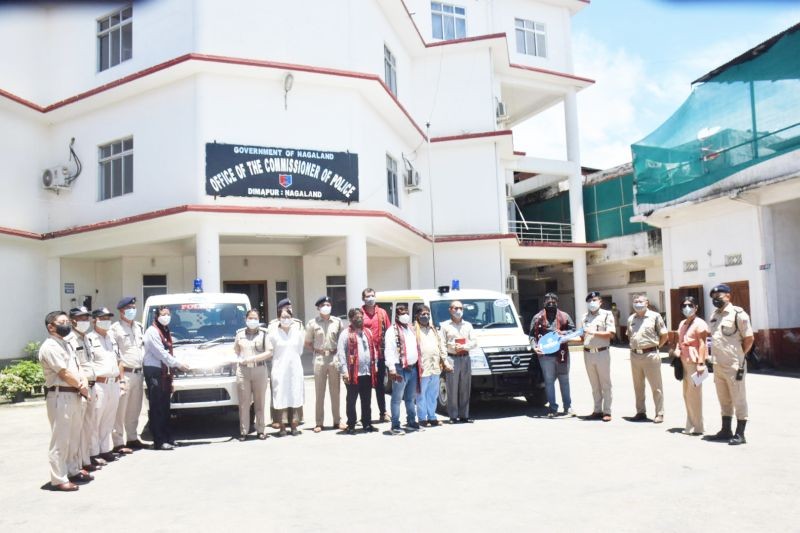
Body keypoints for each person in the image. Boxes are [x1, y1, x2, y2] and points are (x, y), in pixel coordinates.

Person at [38, 310, 92, 491]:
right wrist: (81, 386)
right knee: (61, 438)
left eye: (68, 321)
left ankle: (73, 469)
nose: (67, 324)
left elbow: (77, 367)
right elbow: (63, 372)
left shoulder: (67, 344)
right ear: (51, 327)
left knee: (73, 436)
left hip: (74, 393)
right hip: (60, 395)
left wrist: (83, 381)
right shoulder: (50, 347)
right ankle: (59, 478)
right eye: (62, 321)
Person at [707, 284, 754, 445]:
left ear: (728, 296)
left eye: (719, 297)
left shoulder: (738, 314)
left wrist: (739, 356)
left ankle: (740, 434)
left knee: (738, 398)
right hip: (718, 365)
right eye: (714, 298)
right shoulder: (714, 315)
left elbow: (749, 339)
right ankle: (725, 430)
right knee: (724, 399)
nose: (716, 300)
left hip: (734, 365)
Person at [143, 306, 189, 450]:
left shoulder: (165, 330)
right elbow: (161, 353)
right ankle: (159, 440)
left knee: (165, 407)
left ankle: (168, 437)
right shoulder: (152, 331)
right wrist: (178, 364)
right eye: (163, 314)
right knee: (157, 407)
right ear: (156, 316)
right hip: (154, 371)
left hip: (164, 372)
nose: (166, 316)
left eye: (168, 314)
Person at [84, 307, 127, 460]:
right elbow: (86, 363)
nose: (107, 321)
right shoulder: (88, 338)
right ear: (94, 320)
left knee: (109, 418)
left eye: (109, 318)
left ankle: (105, 449)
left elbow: (119, 361)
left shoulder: (111, 337)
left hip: (114, 383)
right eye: (103, 318)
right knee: (95, 419)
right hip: (99, 384)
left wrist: (122, 381)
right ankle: (94, 453)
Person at [109, 296, 147, 450]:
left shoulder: (138, 327)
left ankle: (132, 437)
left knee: (134, 408)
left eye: (133, 307)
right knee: (120, 410)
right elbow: (115, 354)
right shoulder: (115, 329)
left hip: (138, 373)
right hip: (125, 373)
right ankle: (118, 442)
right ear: (121, 311)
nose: (132, 310)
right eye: (129, 308)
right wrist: (121, 377)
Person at [529, 293, 576, 418]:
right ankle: (553, 408)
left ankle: (568, 407)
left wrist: (563, 332)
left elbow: (573, 331)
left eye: (553, 300)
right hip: (545, 355)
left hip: (562, 353)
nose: (551, 302)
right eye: (548, 300)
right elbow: (532, 335)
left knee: (564, 380)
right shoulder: (537, 317)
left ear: (557, 302)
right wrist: (535, 347)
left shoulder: (564, 316)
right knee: (549, 381)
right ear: (543, 303)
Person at [66, 307, 100, 473]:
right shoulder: (70, 339)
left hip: (93, 385)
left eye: (87, 317)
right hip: (81, 388)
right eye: (81, 318)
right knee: (78, 428)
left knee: (88, 426)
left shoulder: (86, 338)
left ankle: (85, 460)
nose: (85, 321)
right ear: (72, 320)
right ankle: (77, 464)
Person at [305, 296, 344, 433]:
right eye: (323, 305)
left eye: (328, 304)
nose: (326, 307)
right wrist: (318, 351)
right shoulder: (312, 323)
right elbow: (308, 343)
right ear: (318, 308)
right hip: (320, 359)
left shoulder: (337, 322)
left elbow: (341, 341)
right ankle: (319, 422)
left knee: (336, 391)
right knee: (319, 392)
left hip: (334, 358)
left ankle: (337, 421)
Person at [626, 294, 668, 424]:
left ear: (647, 302)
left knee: (656, 386)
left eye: (640, 301)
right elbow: (630, 336)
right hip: (634, 355)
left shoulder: (655, 316)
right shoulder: (631, 318)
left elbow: (664, 335)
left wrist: (655, 347)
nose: (637, 303)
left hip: (650, 355)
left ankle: (659, 413)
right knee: (638, 386)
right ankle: (640, 412)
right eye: (635, 301)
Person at [337, 308, 378, 434]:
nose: (359, 318)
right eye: (356, 317)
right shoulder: (345, 334)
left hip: (366, 372)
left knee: (366, 400)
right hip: (352, 373)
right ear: (350, 319)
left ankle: (367, 423)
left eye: (361, 316)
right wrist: (344, 371)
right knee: (351, 400)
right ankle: (351, 425)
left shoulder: (368, 332)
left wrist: (375, 364)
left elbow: (373, 350)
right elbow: (341, 354)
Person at [384, 304, 422, 435]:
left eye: (406, 312)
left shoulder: (410, 328)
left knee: (411, 398)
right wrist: (392, 369)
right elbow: (389, 351)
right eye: (402, 313)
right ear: (396, 316)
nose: (405, 315)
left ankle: (411, 422)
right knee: (397, 399)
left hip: (412, 368)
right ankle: (395, 425)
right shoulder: (392, 331)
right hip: (399, 368)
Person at [233, 309, 271, 440]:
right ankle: (244, 431)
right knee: (244, 403)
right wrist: (238, 359)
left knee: (260, 402)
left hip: (259, 370)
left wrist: (253, 359)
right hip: (243, 371)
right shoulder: (239, 334)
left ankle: (260, 430)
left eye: (255, 318)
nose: (253, 321)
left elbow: (269, 352)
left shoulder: (265, 334)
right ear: (246, 319)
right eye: (250, 318)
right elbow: (236, 351)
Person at [674, 296, 709, 435]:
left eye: (690, 305)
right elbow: (679, 340)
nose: (687, 308)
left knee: (694, 395)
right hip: (683, 361)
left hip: (695, 363)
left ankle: (698, 427)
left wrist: (701, 363)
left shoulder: (700, 323)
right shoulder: (682, 323)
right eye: (684, 305)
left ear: (696, 307)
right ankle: (690, 424)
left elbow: (702, 344)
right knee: (686, 394)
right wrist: (677, 348)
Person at [267, 307, 305, 436]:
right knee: (281, 396)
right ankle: (282, 426)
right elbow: (270, 351)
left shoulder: (297, 332)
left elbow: (300, 350)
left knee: (295, 394)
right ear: (278, 318)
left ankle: (294, 425)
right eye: (283, 317)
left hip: (294, 369)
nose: (286, 319)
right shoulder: (273, 334)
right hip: (279, 369)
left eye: (288, 317)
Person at [440, 300, 477, 423]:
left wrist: (465, 347)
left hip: (465, 357)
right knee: (452, 387)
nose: (458, 311)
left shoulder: (468, 325)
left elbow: (474, 342)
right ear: (450, 309)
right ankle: (453, 416)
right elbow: (442, 344)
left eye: (460, 308)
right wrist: (445, 361)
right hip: (452, 357)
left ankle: (464, 415)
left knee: (465, 387)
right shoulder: (445, 326)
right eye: (455, 308)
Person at [581, 291, 616, 422]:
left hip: (602, 352)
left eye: (594, 300)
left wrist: (593, 332)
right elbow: (582, 336)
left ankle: (607, 411)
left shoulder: (607, 315)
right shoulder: (584, 317)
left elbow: (611, 334)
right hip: (588, 353)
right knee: (594, 384)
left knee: (605, 384)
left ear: (600, 301)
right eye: (589, 301)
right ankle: (597, 410)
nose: (592, 303)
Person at [415, 305, 450, 427]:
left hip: (435, 366)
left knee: (433, 394)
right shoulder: (414, 330)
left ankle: (432, 416)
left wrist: (444, 361)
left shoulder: (433, 330)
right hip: (422, 368)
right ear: (417, 316)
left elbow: (440, 346)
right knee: (421, 394)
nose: (425, 316)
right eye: (423, 314)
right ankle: (422, 418)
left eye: (427, 314)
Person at [361, 288, 390, 423]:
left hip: (380, 355)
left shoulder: (382, 313)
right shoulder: (360, 313)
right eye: (368, 296)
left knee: (380, 385)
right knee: (365, 386)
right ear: (363, 298)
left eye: (373, 295)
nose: (371, 298)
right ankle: (365, 415)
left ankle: (383, 412)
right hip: (365, 355)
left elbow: (389, 333)